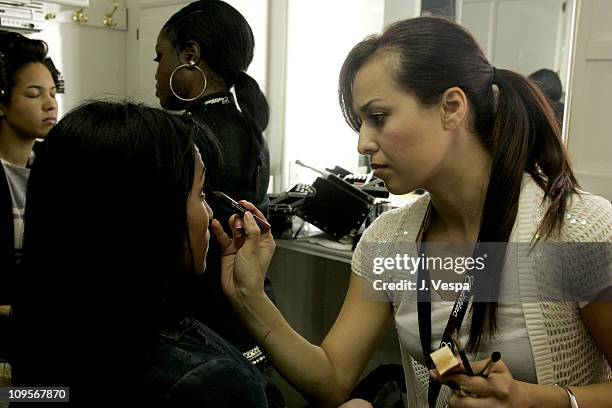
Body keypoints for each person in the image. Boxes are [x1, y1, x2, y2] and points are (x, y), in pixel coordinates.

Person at [210, 17, 612, 408]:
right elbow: (331, 380)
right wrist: (249, 295)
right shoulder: (390, 243)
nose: (363, 143)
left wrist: (537, 401)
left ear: (451, 108)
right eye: (360, 123)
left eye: (379, 118)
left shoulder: (572, 231)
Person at [11, 101, 284, 407]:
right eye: (201, 193)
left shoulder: (42, 330)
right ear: (151, 217)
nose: (209, 213)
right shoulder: (208, 383)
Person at [154, 0, 274, 372]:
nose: (156, 71)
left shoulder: (181, 135)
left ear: (190, 55)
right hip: (249, 321)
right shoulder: (251, 131)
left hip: (199, 335)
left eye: (160, 57)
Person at [0, 31, 59, 366]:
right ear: (2, 102)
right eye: (34, 94)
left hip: (42, 343)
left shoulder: (57, 165)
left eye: (52, 92)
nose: (50, 104)